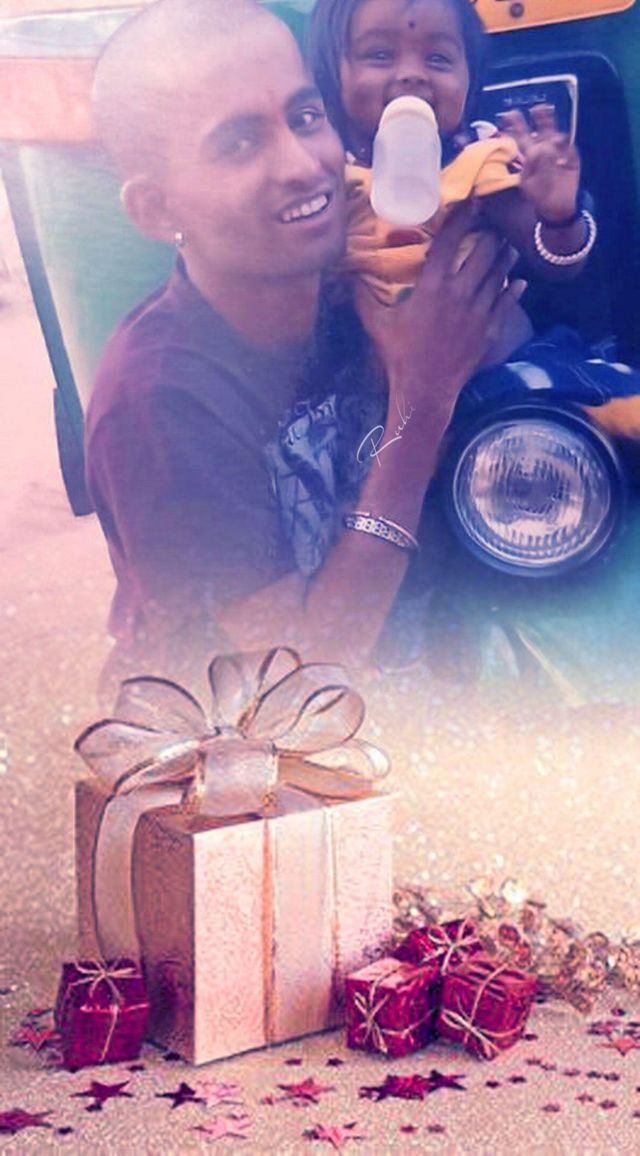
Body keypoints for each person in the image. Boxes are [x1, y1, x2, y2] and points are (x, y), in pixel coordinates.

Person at [85, 0, 520, 697]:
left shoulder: (355, 287)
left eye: (306, 116)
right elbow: (299, 672)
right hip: (241, 732)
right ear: (158, 210)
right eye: (238, 144)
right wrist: (423, 402)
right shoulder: (159, 405)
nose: (303, 164)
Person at [307, 0, 640, 432]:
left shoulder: (477, 164)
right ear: (332, 74)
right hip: (381, 402)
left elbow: (555, 265)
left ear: (470, 82)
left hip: (510, 374)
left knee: (598, 419)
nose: (412, 74)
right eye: (381, 54)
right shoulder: (326, 178)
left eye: (438, 58)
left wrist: (558, 214)